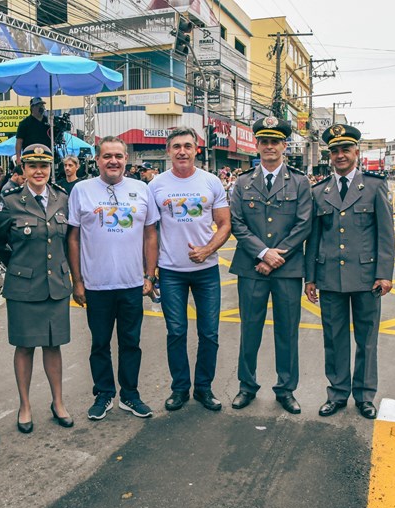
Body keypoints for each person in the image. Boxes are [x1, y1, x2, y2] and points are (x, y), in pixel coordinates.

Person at [304, 124, 395, 420]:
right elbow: (313, 238)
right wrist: (311, 278)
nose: (340, 155)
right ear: (329, 155)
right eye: (335, 151)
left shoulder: (374, 186)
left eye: (345, 149)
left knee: (367, 339)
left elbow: (386, 234)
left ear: (357, 151)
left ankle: (365, 395)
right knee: (334, 338)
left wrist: (384, 273)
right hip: (329, 277)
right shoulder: (319, 191)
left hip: (368, 278)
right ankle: (338, 393)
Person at [67, 136, 160, 420]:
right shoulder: (81, 190)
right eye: (107, 156)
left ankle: (130, 395)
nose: (113, 161)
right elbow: (73, 238)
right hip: (96, 285)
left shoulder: (141, 189)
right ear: (97, 160)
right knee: (100, 343)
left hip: (132, 283)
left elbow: (150, 233)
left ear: (126, 159)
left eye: (119, 156)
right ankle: (104, 393)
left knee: (131, 342)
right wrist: (78, 281)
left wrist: (150, 275)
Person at [228, 117, 312, 414]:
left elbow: (304, 224)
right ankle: (246, 386)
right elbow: (237, 223)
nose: (270, 147)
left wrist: (277, 256)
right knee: (250, 329)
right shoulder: (242, 182)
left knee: (287, 331)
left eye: (275, 142)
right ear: (257, 145)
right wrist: (263, 253)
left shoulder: (300, 182)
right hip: (251, 267)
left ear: (284, 146)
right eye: (264, 141)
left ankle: (286, 389)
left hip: (287, 269)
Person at [148, 127, 231, 412]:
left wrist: (208, 250)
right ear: (168, 151)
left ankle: (204, 388)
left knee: (209, 333)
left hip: (206, 271)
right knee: (176, 332)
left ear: (197, 149)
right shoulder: (156, 185)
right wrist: (151, 272)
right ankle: (180, 388)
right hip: (171, 272)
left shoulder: (211, 182)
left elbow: (225, 224)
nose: (182, 151)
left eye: (187, 146)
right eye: (176, 146)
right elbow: (150, 231)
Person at [0, 144, 74, 434]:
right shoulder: (11, 200)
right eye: (32, 166)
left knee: (54, 345)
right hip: (23, 285)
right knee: (25, 346)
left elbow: (69, 241)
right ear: (23, 169)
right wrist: (17, 264)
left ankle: (58, 402)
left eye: (44, 166)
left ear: (50, 168)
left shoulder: (62, 198)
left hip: (56, 284)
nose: (39, 171)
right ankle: (25, 405)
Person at [14, 97, 51, 162]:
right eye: (38, 105)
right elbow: (19, 142)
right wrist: (18, 158)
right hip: (30, 155)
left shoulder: (49, 122)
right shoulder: (24, 123)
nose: (41, 107)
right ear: (32, 108)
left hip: (46, 154)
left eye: (42, 105)